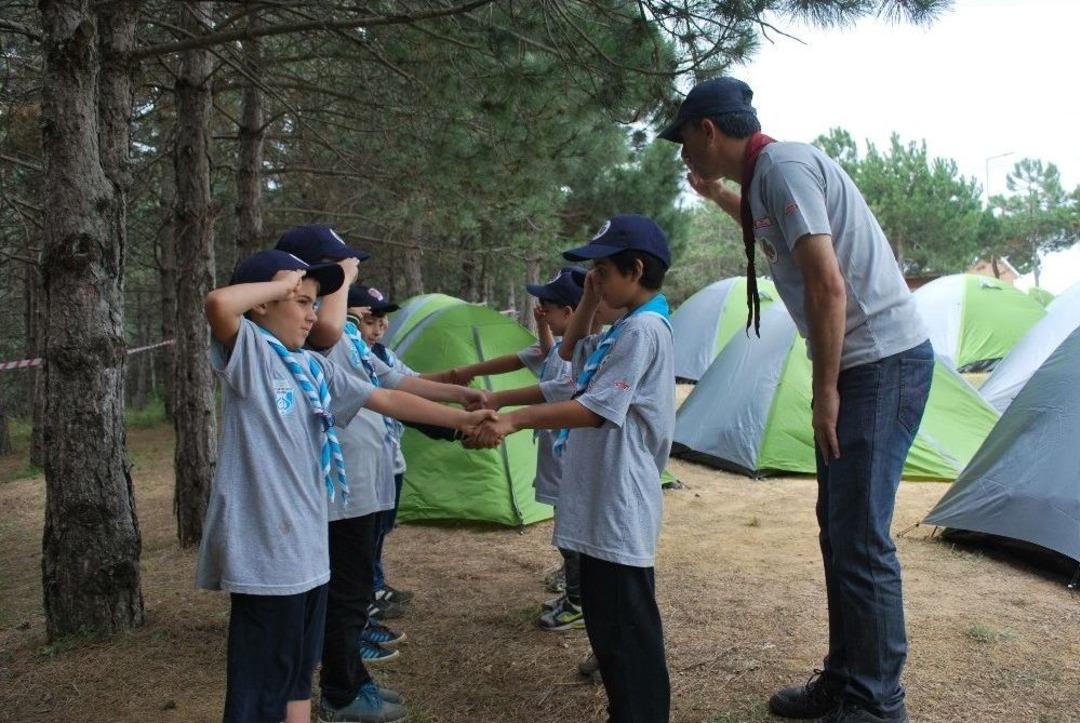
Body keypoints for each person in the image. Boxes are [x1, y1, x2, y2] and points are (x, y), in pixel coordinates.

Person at [661, 77, 933, 723]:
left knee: (861, 538)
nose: (682, 157)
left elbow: (826, 283)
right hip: (869, 365)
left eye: (683, 141)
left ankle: (876, 699)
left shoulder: (782, 165)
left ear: (708, 129)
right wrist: (722, 195)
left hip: (880, 364)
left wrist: (825, 390)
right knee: (840, 532)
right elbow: (780, 240)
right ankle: (845, 679)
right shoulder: (766, 178)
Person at [197, 249, 495, 723]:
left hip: (309, 550)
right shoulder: (252, 356)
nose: (312, 314)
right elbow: (217, 304)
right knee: (260, 683)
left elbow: (388, 396)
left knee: (296, 672)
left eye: (316, 302)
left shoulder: (313, 368)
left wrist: (463, 420)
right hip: (267, 555)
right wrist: (283, 283)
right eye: (302, 302)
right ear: (261, 305)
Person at [474, 214, 676, 723]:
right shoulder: (622, 327)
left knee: (630, 631)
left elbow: (593, 408)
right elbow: (567, 360)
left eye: (603, 270)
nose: (596, 278)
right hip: (600, 499)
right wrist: (589, 298)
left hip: (620, 501)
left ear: (634, 270)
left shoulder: (644, 331)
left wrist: (516, 419)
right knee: (608, 627)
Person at [469, 266, 587, 630]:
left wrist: (503, 403)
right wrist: (541, 325)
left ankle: (578, 601)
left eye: (548, 310)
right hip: (556, 453)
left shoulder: (584, 350)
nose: (544, 315)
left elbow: (559, 386)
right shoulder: (566, 346)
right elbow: (551, 358)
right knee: (566, 528)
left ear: (569, 313)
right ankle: (575, 589)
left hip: (568, 456)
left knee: (571, 529)